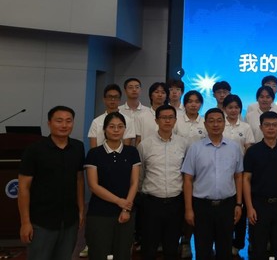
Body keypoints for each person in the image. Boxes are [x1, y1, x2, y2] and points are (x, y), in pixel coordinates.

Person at [18, 106, 85, 260]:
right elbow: (23, 187)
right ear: (49, 123)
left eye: (68, 121)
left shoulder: (78, 147)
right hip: (41, 221)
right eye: (59, 121)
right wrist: (25, 222)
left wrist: (81, 210)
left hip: (69, 220)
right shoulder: (34, 150)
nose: (64, 125)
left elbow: (79, 179)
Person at [182, 108, 244, 260]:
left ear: (224, 123)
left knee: (225, 250)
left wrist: (238, 204)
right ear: (205, 124)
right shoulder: (195, 148)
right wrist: (189, 209)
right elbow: (188, 179)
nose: (215, 124)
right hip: (202, 206)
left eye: (219, 121)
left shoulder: (234, 147)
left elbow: (238, 176)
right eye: (211, 121)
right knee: (203, 250)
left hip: (227, 206)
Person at [85, 111, 141, 260]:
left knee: (123, 254)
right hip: (99, 213)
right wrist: (118, 201)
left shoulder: (132, 152)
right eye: (111, 126)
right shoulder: (94, 153)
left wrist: (125, 208)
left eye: (120, 126)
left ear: (125, 129)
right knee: (98, 253)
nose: (116, 130)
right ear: (104, 129)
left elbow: (135, 182)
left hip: (126, 212)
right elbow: (93, 186)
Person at [137, 105, 189, 260]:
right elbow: (140, 175)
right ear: (156, 120)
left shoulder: (183, 144)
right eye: (163, 118)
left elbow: (186, 174)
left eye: (171, 117)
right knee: (149, 248)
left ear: (175, 120)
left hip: (175, 203)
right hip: (151, 204)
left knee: (171, 249)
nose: (167, 121)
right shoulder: (145, 145)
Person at [243, 111, 277, 260]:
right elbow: (246, 179)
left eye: (274, 125)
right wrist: (249, 207)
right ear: (261, 127)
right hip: (259, 205)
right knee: (258, 247)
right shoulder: (252, 151)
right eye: (267, 125)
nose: (271, 128)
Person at [173, 90, 206, 258]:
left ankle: (187, 241)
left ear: (201, 104)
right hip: (177, 169)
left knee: (195, 208)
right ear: (184, 104)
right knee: (179, 207)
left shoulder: (205, 122)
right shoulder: (177, 121)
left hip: (200, 172)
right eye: (190, 101)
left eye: (197, 101)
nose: (193, 104)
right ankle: (176, 241)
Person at [222, 94, 255, 256]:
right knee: (225, 209)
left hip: (240, 173)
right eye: (230, 107)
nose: (233, 110)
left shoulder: (246, 127)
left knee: (240, 208)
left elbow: (249, 149)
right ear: (224, 109)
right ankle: (224, 242)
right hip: (222, 173)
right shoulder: (220, 125)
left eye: (236, 107)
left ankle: (238, 243)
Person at [119, 77, 155, 144]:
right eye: (130, 87)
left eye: (137, 87)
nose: (134, 89)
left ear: (140, 90)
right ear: (125, 90)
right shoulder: (118, 111)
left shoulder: (148, 111)